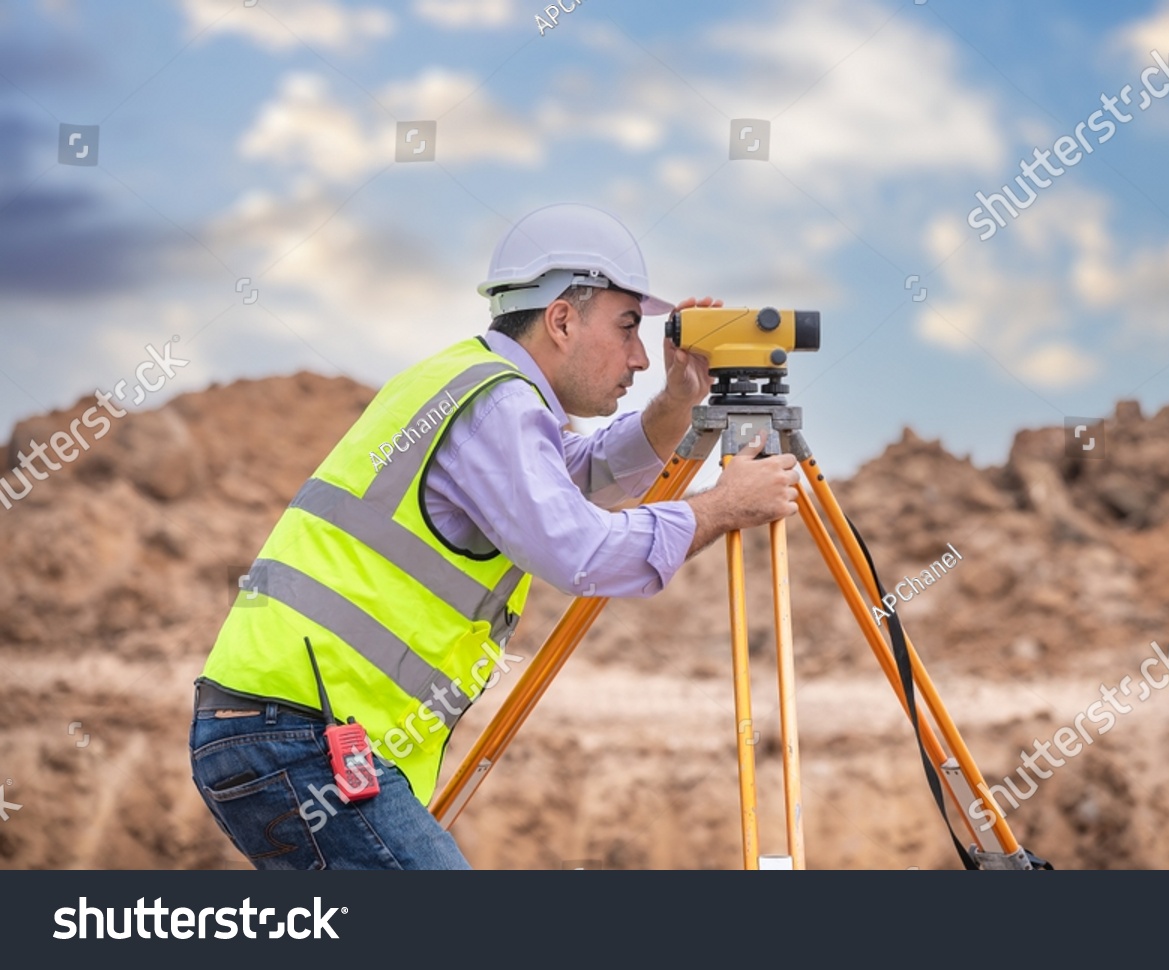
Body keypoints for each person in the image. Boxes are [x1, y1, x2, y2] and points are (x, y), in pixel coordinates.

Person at [189, 203, 799, 869]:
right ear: (562, 319)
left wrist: (679, 399)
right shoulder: (500, 406)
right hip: (301, 736)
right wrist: (722, 507)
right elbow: (579, 549)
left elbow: (579, 479)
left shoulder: (466, 383)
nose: (638, 356)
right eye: (627, 328)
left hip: (285, 729)